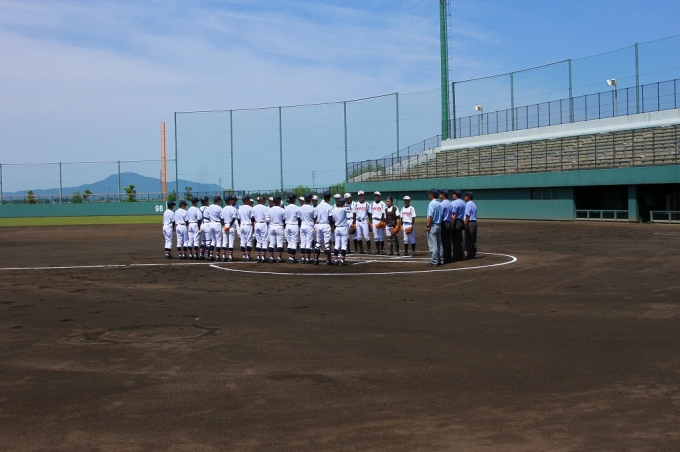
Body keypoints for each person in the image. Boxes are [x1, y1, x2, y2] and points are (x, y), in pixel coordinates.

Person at [313, 191, 334, 265]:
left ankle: (315, 259)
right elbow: (330, 218)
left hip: (318, 225)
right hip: (326, 225)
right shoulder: (329, 207)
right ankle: (328, 260)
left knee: (318, 242)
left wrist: (314, 226)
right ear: (329, 198)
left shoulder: (318, 206)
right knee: (327, 243)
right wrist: (332, 226)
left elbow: (315, 217)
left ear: (323, 197)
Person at [331, 197, 350, 265]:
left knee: (336, 245)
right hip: (343, 228)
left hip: (337, 228)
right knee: (344, 245)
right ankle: (342, 260)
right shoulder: (344, 209)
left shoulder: (334, 210)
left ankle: (336, 260)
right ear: (343, 203)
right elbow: (349, 209)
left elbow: (332, 219)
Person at [425, 188, 442, 266]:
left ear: (432, 195)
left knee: (433, 245)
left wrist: (428, 225)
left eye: (429, 194)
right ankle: (440, 259)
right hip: (439, 225)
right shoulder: (439, 203)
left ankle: (434, 261)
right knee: (439, 244)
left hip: (433, 225)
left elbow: (430, 216)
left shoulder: (432, 203)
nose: (429, 195)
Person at [220, 195, 239, 262]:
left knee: (224, 242)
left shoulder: (223, 209)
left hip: (224, 226)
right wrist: (229, 226)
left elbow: (221, 219)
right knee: (231, 242)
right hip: (231, 227)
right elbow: (233, 219)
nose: (232, 201)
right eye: (231, 200)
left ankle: (223, 256)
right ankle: (230, 257)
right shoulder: (233, 209)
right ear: (229, 201)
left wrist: (224, 226)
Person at [267, 196, 286, 263]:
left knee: (271, 243)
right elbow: (284, 220)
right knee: (279, 244)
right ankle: (279, 258)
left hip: (271, 227)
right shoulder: (282, 210)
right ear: (279, 201)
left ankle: (271, 257)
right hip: (279, 227)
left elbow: (267, 220)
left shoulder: (269, 209)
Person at [298, 194, 316, 264]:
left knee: (303, 242)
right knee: (308, 242)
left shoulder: (300, 208)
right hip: (309, 226)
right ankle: (307, 258)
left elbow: (299, 219)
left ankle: (303, 258)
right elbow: (314, 218)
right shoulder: (312, 208)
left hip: (302, 225)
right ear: (310, 199)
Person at [205, 195, 223, 261]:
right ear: (218, 201)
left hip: (211, 224)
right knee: (218, 241)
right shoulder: (220, 208)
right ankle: (217, 256)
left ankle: (211, 255)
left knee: (213, 240)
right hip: (217, 224)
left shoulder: (210, 207)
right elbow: (221, 218)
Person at [284, 193, 301, 263]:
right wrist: (299, 227)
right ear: (294, 199)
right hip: (294, 225)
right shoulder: (297, 208)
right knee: (294, 242)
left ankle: (290, 257)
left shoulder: (286, 208)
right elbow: (299, 219)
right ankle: (292, 258)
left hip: (287, 225)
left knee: (289, 242)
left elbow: (284, 218)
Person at [252, 196, 269, 262]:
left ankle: (258, 257)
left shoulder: (254, 208)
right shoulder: (265, 208)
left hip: (256, 224)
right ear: (263, 201)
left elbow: (252, 218)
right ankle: (263, 257)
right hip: (263, 224)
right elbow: (267, 219)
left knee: (258, 241)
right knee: (264, 241)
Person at [238, 195, 254, 261]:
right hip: (248, 225)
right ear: (246, 200)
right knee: (249, 241)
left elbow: (238, 219)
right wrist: (253, 226)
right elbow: (252, 218)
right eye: (249, 199)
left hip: (242, 225)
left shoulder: (240, 208)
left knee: (243, 241)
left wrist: (240, 226)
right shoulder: (250, 208)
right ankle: (248, 256)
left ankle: (243, 256)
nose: (250, 201)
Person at [451, 190, 466, 262]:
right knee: (460, 239)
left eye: (453, 194)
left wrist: (452, 224)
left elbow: (454, 215)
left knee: (455, 240)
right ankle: (461, 255)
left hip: (456, 222)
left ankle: (456, 256)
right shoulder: (463, 202)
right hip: (461, 221)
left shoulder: (454, 203)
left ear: (455, 195)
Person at [439, 189, 453, 264]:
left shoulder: (442, 204)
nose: (439, 195)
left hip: (444, 223)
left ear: (443, 195)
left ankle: (444, 257)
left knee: (443, 241)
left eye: (440, 194)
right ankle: (449, 257)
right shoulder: (450, 203)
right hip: (449, 222)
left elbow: (440, 215)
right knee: (448, 241)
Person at [464, 191, 478, 259]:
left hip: (470, 223)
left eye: (465, 196)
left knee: (468, 239)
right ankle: (473, 254)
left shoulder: (468, 204)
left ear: (468, 197)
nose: (464, 197)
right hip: (474, 223)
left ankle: (469, 254)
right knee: (473, 239)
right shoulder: (474, 204)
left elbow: (467, 215)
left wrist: (465, 224)